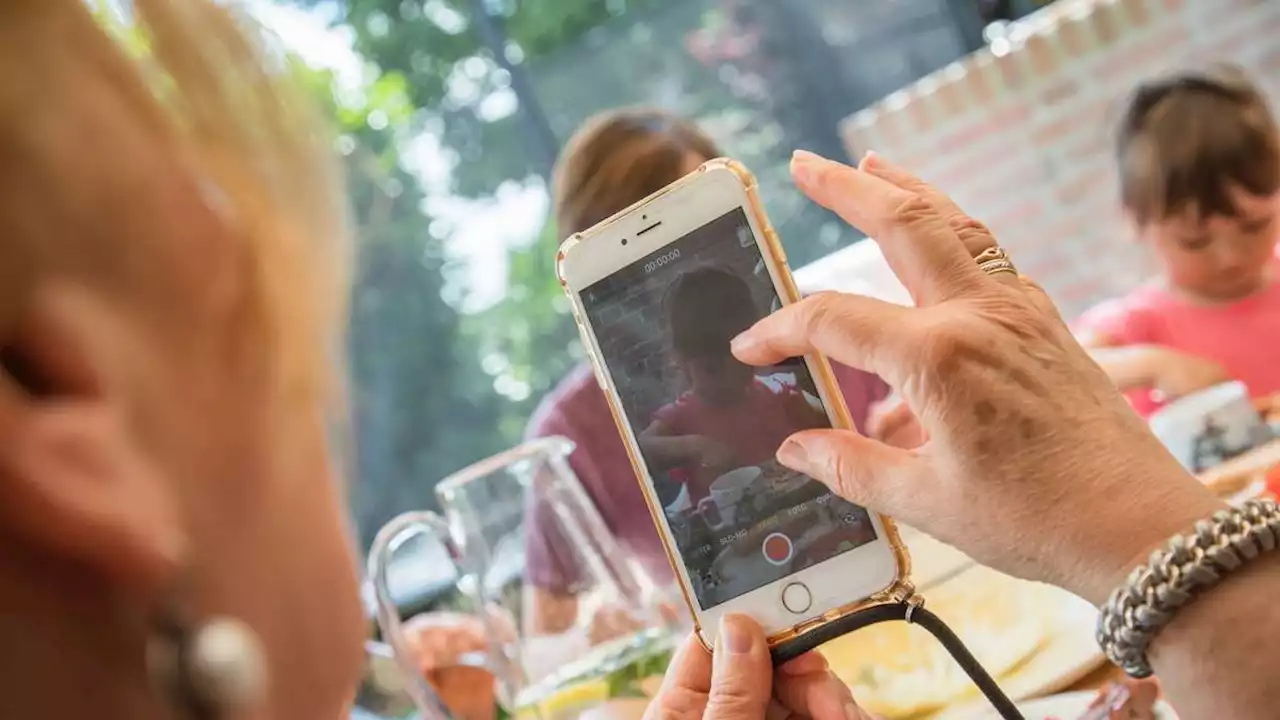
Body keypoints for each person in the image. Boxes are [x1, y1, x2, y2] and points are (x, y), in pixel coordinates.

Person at [5, 5, 1278, 720]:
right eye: (274, 321)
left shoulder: (787, 366)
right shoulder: (591, 419)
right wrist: (1150, 539)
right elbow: (561, 621)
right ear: (79, 429)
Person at [523, 109, 889, 639]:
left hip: (887, 610)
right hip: (737, 648)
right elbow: (546, 642)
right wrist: (598, 633)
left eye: (702, 238)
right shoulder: (571, 435)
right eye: (640, 268)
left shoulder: (828, 328)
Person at [1075, 65, 1280, 417]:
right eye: (1195, 242)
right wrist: (1151, 365)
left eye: (1254, 226)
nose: (1229, 256)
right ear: (1135, 221)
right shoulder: (1139, 324)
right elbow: (1056, 368)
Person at [639, 265, 827, 500]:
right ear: (682, 361)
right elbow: (643, 448)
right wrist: (695, 446)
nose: (732, 378)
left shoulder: (777, 392)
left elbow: (828, 426)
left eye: (743, 363)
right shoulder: (683, 416)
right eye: (713, 370)